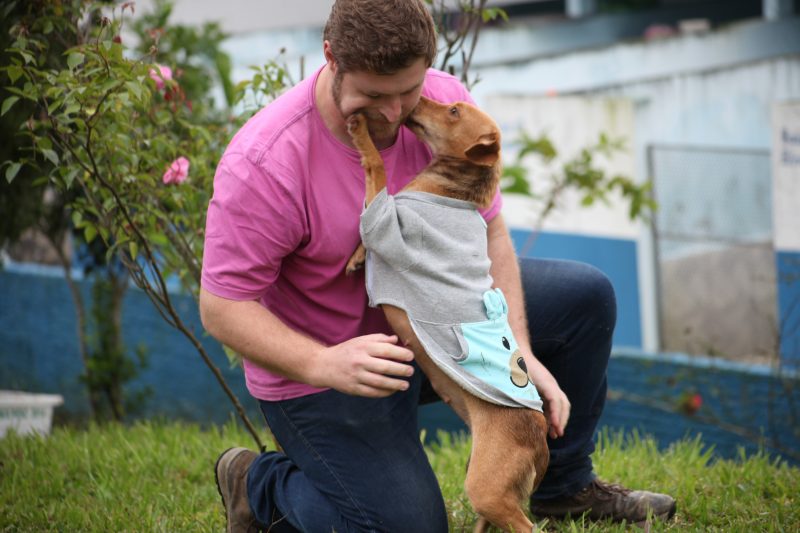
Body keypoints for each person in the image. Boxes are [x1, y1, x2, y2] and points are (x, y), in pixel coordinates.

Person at [200, 0, 677, 531]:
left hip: (447, 321)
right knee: (411, 526)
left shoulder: (444, 104)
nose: (394, 112)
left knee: (584, 297)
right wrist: (322, 364)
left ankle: (559, 486)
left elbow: (489, 227)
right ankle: (257, 484)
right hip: (337, 365)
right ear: (330, 57)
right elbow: (222, 307)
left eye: (409, 90)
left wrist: (514, 351)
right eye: (375, 95)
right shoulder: (265, 163)